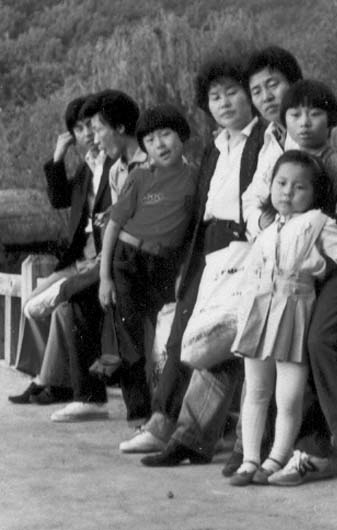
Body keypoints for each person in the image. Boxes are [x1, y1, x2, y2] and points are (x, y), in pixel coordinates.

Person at [238, 47, 337, 487]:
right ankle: (306, 449)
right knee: (293, 343)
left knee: (321, 337)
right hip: (303, 265)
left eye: (274, 84)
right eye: (257, 90)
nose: (267, 97)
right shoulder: (271, 142)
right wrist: (270, 227)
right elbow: (254, 199)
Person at [134, 55, 266, 462]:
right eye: (215, 97)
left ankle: (190, 436)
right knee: (184, 335)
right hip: (208, 247)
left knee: (220, 340)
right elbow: (199, 210)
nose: (224, 103)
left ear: (248, 95)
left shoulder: (264, 138)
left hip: (244, 246)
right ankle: (167, 424)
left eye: (232, 93)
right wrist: (187, 264)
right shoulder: (215, 146)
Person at [49, 90, 149, 423]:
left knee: (79, 294)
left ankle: (141, 410)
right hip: (113, 258)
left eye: (96, 128)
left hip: (141, 258)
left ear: (118, 127)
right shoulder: (115, 168)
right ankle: (89, 396)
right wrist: (104, 274)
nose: (93, 137)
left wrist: (105, 271)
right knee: (76, 297)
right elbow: (68, 203)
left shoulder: (142, 163)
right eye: (84, 129)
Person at [93, 104, 196, 424]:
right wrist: (105, 278)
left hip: (166, 265)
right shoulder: (139, 177)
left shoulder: (196, 178)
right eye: (150, 140)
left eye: (166, 135)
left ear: (181, 136)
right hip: (128, 260)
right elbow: (113, 226)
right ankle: (138, 412)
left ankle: (169, 410)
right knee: (131, 339)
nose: (159, 145)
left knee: (168, 338)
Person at [9, 94, 112, 405]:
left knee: (60, 306)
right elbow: (59, 200)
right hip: (79, 259)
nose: (87, 134)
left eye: (91, 126)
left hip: (100, 260)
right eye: (79, 129)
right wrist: (57, 158)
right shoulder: (85, 168)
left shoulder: (114, 163)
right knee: (31, 306)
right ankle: (57, 377)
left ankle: (50, 381)